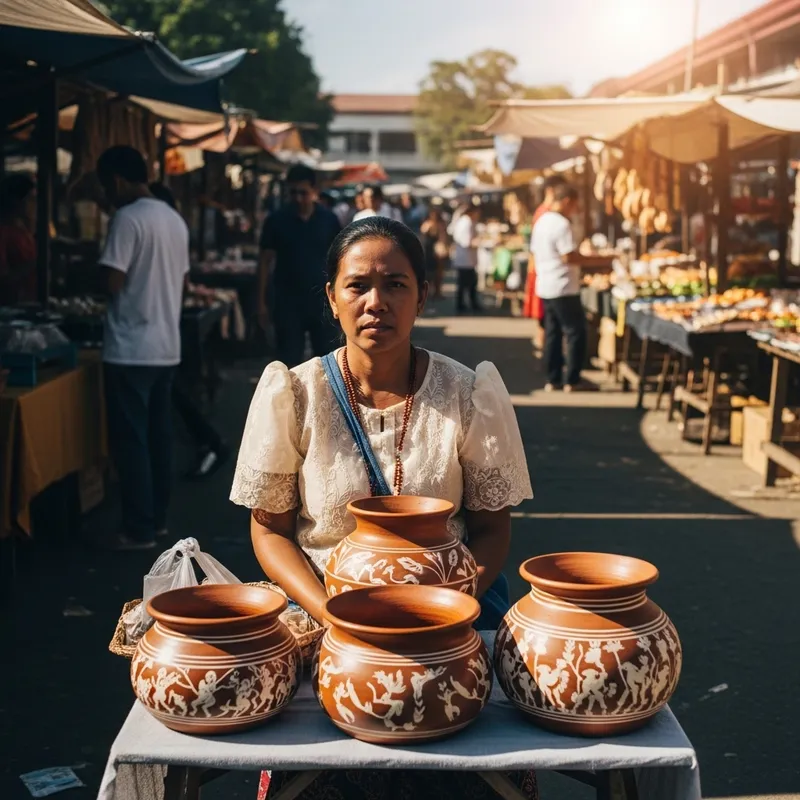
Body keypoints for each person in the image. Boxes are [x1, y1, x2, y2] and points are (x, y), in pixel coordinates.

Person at [231, 216, 535, 800]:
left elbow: (494, 526)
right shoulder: (294, 393)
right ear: (332, 297)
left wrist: (454, 604)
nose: (377, 302)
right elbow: (270, 531)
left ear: (423, 294)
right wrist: (330, 615)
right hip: (330, 620)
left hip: (447, 623)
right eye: (358, 286)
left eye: (396, 284)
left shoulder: (469, 392)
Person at [97, 147, 190, 550]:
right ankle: (158, 522)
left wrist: (91, 271)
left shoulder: (127, 218)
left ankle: (138, 529)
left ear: (116, 180)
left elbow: (111, 282)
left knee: (132, 441)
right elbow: (182, 283)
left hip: (130, 348)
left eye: (105, 185)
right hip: (166, 345)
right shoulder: (174, 219)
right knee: (158, 438)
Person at [149, 182, 230, 480]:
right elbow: (183, 285)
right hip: (169, 327)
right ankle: (207, 443)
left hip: (157, 332)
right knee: (176, 394)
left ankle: (208, 443)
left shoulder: (157, 228)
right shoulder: (175, 228)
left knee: (175, 396)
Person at [257, 164, 341, 368]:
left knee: (328, 363)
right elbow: (264, 262)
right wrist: (260, 303)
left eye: (303, 192)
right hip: (287, 304)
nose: (298, 198)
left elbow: (340, 261)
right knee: (289, 363)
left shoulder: (329, 220)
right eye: (293, 192)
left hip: (322, 303)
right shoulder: (276, 220)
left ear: (314, 190)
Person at [530, 182, 596, 392]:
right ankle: (573, 379)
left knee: (553, 333)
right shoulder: (561, 224)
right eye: (575, 205)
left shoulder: (541, 221)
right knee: (576, 331)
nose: (575, 210)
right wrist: (600, 260)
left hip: (546, 284)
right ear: (567, 202)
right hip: (563, 286)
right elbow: (569, 256)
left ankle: (553, 378)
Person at [524, 175, 567, 349]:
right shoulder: (545, 214)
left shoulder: (545, 213)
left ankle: (545, 352)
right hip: (543, 271)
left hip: (542, 270)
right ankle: (544, 348)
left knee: (547, 319)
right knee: (545, 318)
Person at [0, 174, 37, 305]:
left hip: (28, 301)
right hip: (10, 306)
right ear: (16, 201)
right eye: (30, 199)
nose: (34, 205)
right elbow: (3, 278)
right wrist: (38, 263)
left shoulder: (23, 230)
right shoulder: (4, 232)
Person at [450, 204, 482, 313]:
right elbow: (467, 242)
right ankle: (466, 304)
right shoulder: (466, 223)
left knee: (466, 283)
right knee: (467, 283)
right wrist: (481, 242)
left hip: (465, 259)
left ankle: (464, 304)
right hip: (465, 259)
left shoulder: (464, 222)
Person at [420, 206, 448, 299]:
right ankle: (430, 292)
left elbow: (443, 238)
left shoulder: (440, 224)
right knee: (429, 273)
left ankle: (436, 292)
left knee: (437, 274)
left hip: (436, 251)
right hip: (428, 251)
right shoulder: (427, 224)